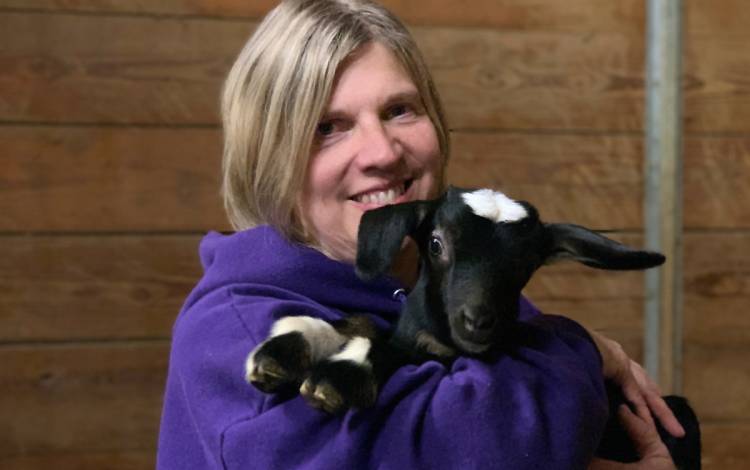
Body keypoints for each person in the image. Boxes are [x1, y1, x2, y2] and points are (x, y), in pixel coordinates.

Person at [157, 1, 684, 468]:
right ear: (267, 157)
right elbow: (474, 445)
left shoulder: (441, 277)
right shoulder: (244, 331)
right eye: (327, 127)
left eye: (400, 110)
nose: (383, 152)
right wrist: (584, 350)